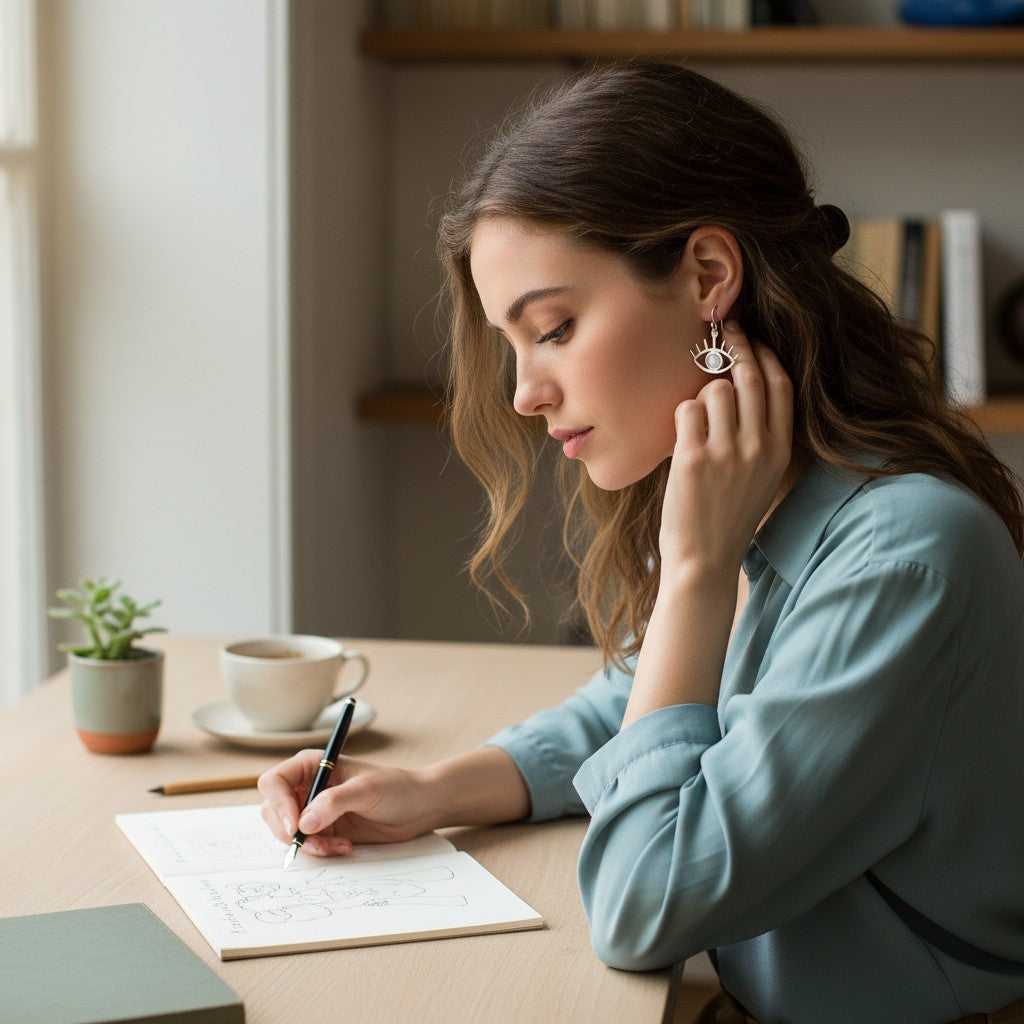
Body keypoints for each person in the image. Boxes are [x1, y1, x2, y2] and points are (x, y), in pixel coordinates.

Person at [259, 61, 1024, 1023]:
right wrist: (437, 787)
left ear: (708, 277)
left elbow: (640, 905)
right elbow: (642, 701)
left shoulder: (906, 557)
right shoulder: (775, 491)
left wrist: (696, 575)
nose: (523, 391)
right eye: (513, 343)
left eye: (556, 327)